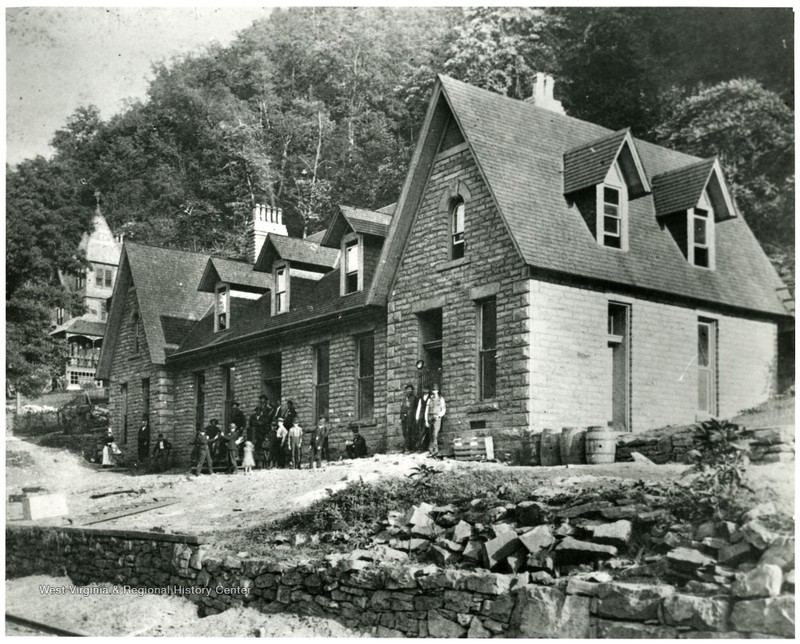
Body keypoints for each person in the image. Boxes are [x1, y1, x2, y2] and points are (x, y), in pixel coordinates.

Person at [425, 384, 447, 457]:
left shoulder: (441, 399)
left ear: (438, 391)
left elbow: (443, 410)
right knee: (431, 434)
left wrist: (439, 416)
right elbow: (426, 410)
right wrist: (426, 420)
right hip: (430, 417)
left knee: (435, 434)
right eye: (433, 390)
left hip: (437, 417)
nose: (434, 392)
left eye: (436, 390)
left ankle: (435, 451)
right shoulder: (429, 399)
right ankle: (431, 450)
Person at [400, 384, 419, 452]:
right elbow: (402, 408)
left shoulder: (415, 398)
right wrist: (400, 418)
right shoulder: (404, 399)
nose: (408, 390)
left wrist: (415, 417)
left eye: (410, 389)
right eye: (407, 389)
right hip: (404, 418)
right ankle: (407, 446)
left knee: (409, 432)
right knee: (404, 432)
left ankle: (408, 448)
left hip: (410, 418)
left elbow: (417, 409)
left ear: (412, 390)